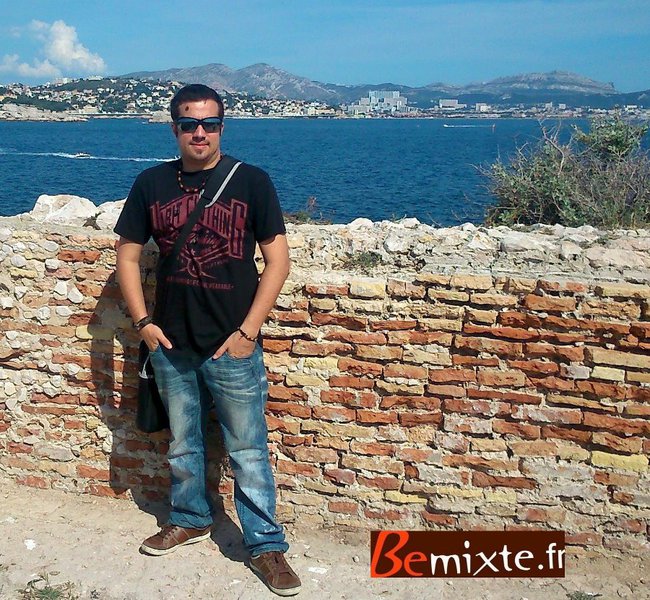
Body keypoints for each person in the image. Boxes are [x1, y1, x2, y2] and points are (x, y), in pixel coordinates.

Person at [114, 84, 300, 597]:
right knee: (182, 443)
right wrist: (143, 323)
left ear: (222, 127)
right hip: (170, 341)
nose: (200, 132)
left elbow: (277, 261)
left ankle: (265, 545)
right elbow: (127, 255)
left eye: (210, 123)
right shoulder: (152, 183)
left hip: (231, 343)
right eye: (189, 123)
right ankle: (190, 517)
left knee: (248, 449)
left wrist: (247, 333)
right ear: (174, 127)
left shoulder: (252, 182)